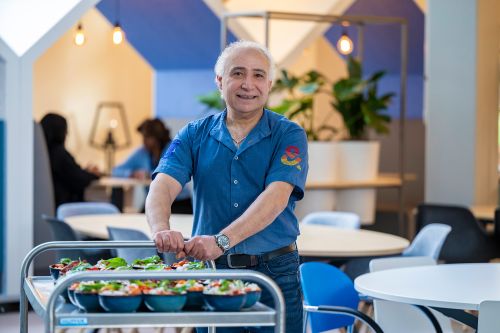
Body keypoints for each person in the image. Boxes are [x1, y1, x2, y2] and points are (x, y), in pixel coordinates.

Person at [146, 40, 308, 332]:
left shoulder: (288, 134)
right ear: (220, 81)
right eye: (238, 73)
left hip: (275, 272)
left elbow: (276, 198)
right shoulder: (194, 134)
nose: (249, 84)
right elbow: (162, 185)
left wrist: (221, 241)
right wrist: (161, 229)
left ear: (269, 84)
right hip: (213, 272)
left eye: (258, 75)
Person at [112, 118, 192, 213]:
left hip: (179, 202)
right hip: (154, 201)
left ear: (157, 137)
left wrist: (148, 175)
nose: (143, 141)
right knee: (139, 220)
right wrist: (131, 173)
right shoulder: (142, 152)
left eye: (147, 137)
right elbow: (116, 170)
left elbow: (169, 172)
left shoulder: (172, 148)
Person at [40, 113, 101, 208]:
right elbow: (78, 178)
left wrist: (85, 172)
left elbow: (70, 173)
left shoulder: (41, 152)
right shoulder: (59, 154)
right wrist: (94, 175)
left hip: (48, 206)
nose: (67, 133)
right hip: (65, 206)